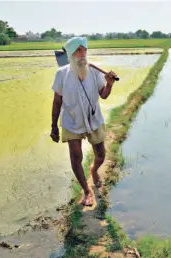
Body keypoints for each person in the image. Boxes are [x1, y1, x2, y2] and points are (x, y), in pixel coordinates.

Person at [50, 36, 118, 206]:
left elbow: (103, 95)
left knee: (101, 155)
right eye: (78, 51)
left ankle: (94, 171)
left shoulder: (94, 72)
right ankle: (87, 192)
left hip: (93, 119)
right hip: (71, 121)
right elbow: (57, 101)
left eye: (84, 50)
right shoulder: (61, 74)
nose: (82, 54)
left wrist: (109, 84)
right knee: (75, 156)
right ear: (71, 54)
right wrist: (54, 126)